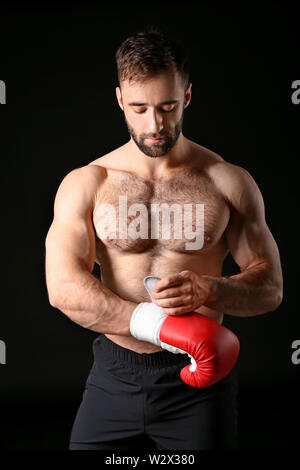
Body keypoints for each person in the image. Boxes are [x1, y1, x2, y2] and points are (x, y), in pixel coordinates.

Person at [45, 28, 283, 450]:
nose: (154, 125)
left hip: (199, 379)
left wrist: (214, 289)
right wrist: (159, 325)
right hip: (114, 375)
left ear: (186, 97)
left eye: (167, 107)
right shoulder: (89, 182)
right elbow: (63, 288)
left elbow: (270, 288)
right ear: (120, 100)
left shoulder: (227, 181)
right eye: (139, 108)